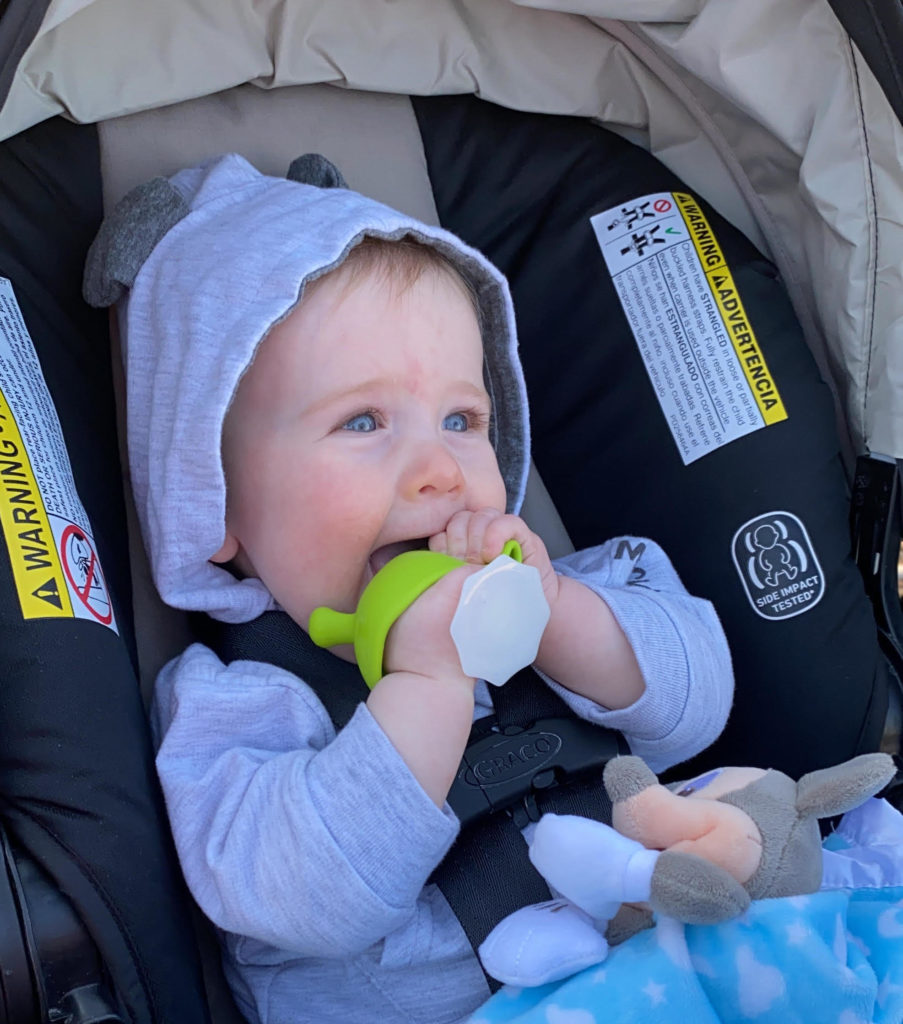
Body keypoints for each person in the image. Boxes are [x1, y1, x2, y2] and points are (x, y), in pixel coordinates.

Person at [84, 152, 733, 1024]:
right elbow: (303, 900)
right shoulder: (236, 707)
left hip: (687, 960)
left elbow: (700, 705)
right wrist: (426, 685)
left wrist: (558, 616)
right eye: (362, 421)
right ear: (216, 499)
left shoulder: (556, 588)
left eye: (463, 420)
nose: (439, 469)